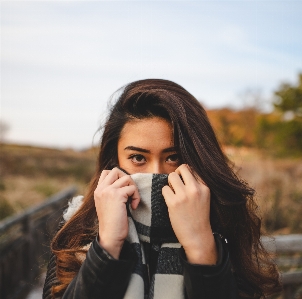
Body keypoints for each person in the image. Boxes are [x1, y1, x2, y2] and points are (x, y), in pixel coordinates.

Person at [43, 79, 281, 299]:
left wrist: (201, 246)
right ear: (114, 160)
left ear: (197, 159)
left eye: (173, 157)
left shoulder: (224, 227)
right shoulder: (78, 228)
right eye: (138, 157)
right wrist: (107, 245)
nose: (156, 174)